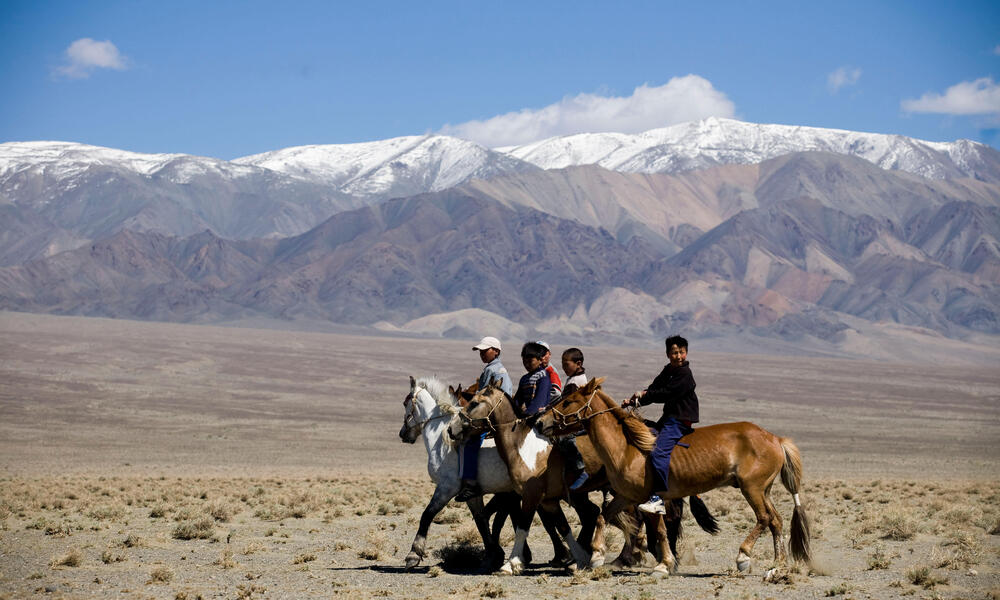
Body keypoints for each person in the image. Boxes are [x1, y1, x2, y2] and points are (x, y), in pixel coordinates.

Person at [622, 335, 699, 514]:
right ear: (667, 354)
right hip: (669, 417)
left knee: (658, 452)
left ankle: (658, 498)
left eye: (681, 352)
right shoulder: (668, 370)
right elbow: (655, 388)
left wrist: (644, 395)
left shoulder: (685, 374)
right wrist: (635, 401)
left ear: (686, 353)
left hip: (680, 420)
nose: (678, 356)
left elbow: (665, 393)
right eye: (674, 353)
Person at [455, 336, 513, 501]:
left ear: (496, 351)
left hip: (491, 417)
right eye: (480, 351)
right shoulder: (493, 369)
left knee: (469, 442)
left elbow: (495, 397)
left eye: (485, 350)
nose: (482, 353)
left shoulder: (495, 371)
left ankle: (470, 483)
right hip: (492, 414)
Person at [556, 347, 589, 490]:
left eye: (566, 364)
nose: (564, 368)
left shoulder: (577, 381)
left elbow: (569, 404)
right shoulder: (573, 378)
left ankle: (580, 470)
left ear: (578, 364)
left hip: (578, 422)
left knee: (564, 438)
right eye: (562, 365)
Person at [513, 341, 552, 416]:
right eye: (524, 361)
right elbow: (518, 401)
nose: (527, 364)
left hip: (540, 417)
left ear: (540, 360)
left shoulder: (543, 376)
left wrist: (526, 414)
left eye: (530, 361)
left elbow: (540, 401)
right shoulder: (524, 379)